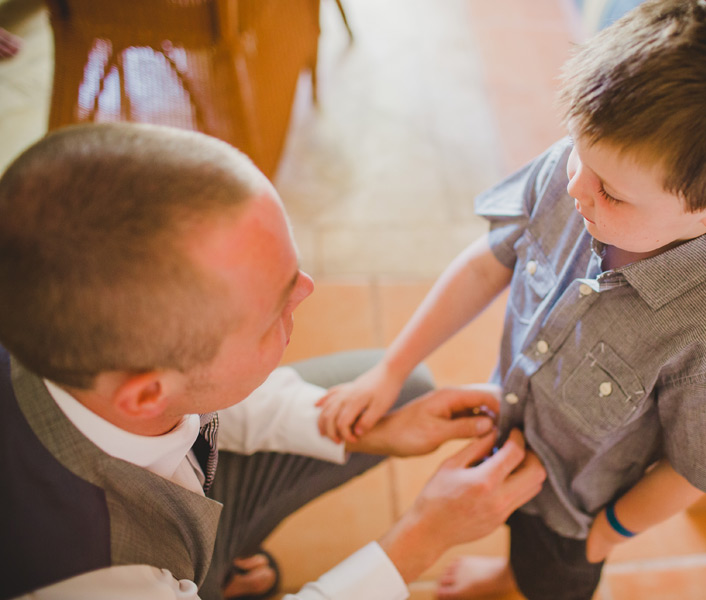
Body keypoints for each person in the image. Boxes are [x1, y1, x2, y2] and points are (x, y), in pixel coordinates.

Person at [314, 0, 706, 598]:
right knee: (505, 531)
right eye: (578, 153)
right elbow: (487, 265)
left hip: (574, 514)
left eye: (610, 191)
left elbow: (694, 469)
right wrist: (390, 369)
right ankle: (507, 574)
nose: (576, 188)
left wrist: (603, 536)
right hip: (507, 422)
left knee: (546, 580)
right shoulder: (581, 170)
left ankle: (519, 581)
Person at [0, 122, 547, 600]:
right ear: (146, 395)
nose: (307, 291)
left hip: (175, 503)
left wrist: (365, 433)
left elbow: (205, 397)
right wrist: (423, 536)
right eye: (271, 312)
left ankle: (216, 563)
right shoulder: (86, 576)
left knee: (399, 394)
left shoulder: (90, 349)